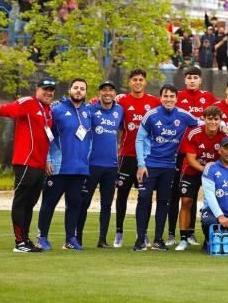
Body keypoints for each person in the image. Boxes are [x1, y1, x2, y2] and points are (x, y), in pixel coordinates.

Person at [0, 78, 56, 252]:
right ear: (37, 89)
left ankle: (25, 240)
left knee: (30, 203)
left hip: (39, 165)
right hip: (26, 162)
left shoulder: (48, 110)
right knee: (21, 202)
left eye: (51, 90)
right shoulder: (29, 102)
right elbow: (11, 109)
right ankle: (19, 243)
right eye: (45, 89)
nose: (48, 92)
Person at [133, 85, 200, 251]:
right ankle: (140, 240)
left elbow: (203, 123)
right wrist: (141, 164)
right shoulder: (151, 115)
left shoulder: (184, 115)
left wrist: (222, 125)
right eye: (165, 96)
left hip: (169, 167)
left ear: (176, 99)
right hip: (149, 165)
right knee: (144, 198)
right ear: (160, 98)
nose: (168, 99)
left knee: (163, 202)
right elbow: (139, 140)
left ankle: (158, 240)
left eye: (172, 96)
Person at [37, 79, 91, 251]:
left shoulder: (88, 112)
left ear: (86, 93)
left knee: (74, 204)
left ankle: (70, 239)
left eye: (82, 89)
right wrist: (47, 159)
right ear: (69, 90)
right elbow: (46, 135)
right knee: (49, 202)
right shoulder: (56, 109)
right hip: (58, 167)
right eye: (76, 88)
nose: (79, 91)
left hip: (79, 168)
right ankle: (42, 237)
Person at [169, 67, 218, 245]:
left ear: (200, 80)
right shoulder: (178, 96)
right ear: (185, 80)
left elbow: (221, 113)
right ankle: (171, 234)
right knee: (176, 195)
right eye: (189, 77)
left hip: (202, 154)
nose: (192, 80)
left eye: (195, 77)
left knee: (194, 195)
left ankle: (190, 233)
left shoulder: (209, 98)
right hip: (179, 153)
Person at [114, 69, 161, 248]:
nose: (138, 82)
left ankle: (143, 232)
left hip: (147, 158)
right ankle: (119, 231)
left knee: (146, 197)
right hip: (126, 156)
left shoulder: (154, 102)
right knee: (122, 195)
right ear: (130, 82)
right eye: (135, 79)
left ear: (145, 82)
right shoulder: (122, 101)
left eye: (141, 79)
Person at [78, 80, 123, 249]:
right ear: (99, 93)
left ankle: (102, 239)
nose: (107, 93)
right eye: (104, 90)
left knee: (107, 204)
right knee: (84, 202)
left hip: (111, 166)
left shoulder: (119, 110)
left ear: (114, 93)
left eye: (111, 90)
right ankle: (77, 238)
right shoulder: (90, 109)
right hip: (92, 164)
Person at [174, 105, 227, 250]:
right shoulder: (194, 133)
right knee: (186, 201)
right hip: (193, 171)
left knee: (218, 202)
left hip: (214, 174)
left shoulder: (224, 136)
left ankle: (212, 237)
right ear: (204, 119)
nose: (213, 122)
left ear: (220, 120)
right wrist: (206, 170)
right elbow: (191, 160)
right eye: (209, 119)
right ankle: (183, 239)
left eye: (216, 119)